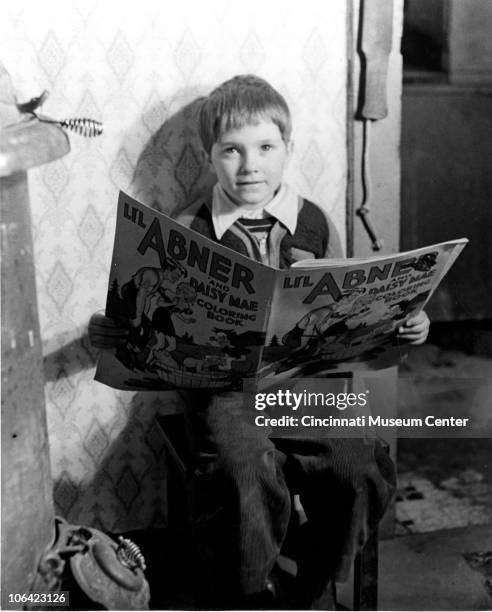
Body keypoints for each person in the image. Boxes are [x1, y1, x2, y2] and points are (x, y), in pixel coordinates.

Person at [89, 75, 430, 609]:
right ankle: (250, 594)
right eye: (232, 150)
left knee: (359, 463)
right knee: (243, 471)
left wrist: (403, 327)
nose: (250, 165)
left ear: (288, 150)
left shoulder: (313, 222)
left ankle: (309, 585)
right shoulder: (190, 227)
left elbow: (353, 328)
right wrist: (113, 329)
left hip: (304, 387)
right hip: (226, 393)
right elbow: (153, 317)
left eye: (266, 147)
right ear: (209, 156)